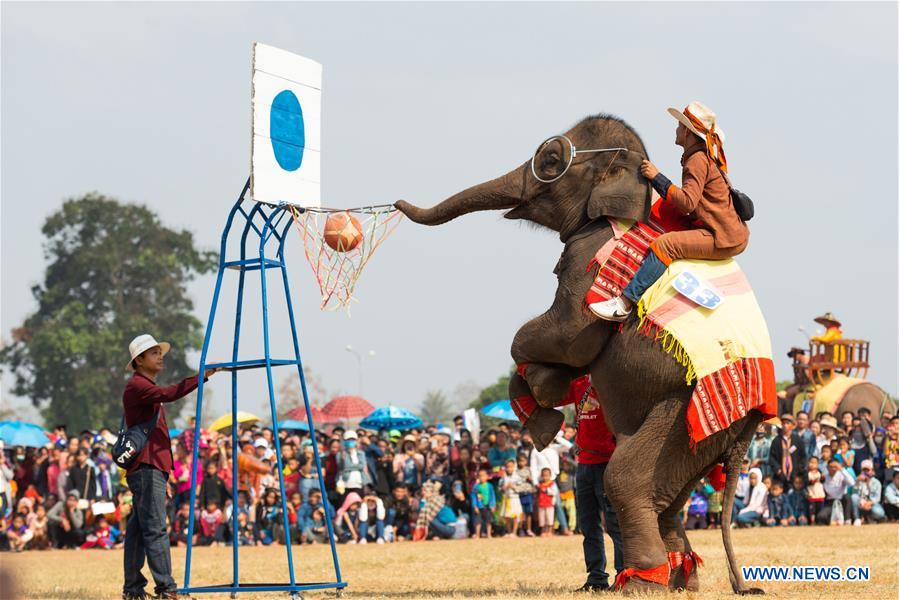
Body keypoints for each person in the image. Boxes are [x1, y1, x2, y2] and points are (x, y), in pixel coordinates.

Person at [591, 101, 748, 321]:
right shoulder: (700, 158)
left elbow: (687, 202)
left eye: (679, 125)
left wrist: (657, 177)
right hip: (727, 230)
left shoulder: (696, 160)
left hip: (722, 237)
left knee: (666, 244)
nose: (676, 129)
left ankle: (625, 303)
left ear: (687, 132)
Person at [121, 333, 220, 600]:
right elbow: (170, 393)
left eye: (159, 351)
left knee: (139, 530)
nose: (160, 355)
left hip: (150, 468)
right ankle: (167, 589)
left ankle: (133, 589)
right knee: (155, 529)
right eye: (153, 353)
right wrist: (203, 376)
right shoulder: (138, 387)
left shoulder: (144, 387)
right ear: (139, 360)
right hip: (147, 467)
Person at [768, 414, 806, 486]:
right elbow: (772, 458)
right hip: (780, 476)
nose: (785, 425)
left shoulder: (798, 440)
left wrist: (798, 469)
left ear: (793, 426)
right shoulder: (776, 441)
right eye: (783, 423)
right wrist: (778, 470)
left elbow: (803, 457)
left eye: (788, 423)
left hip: (795, 475)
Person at [818, 458, 855, 525]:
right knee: (821, 516)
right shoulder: (824, 477)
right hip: (831, 502)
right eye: (831, 467)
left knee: (847, 497)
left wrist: (841, 469)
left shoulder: (841, 475)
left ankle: (847, 520)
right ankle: (834, 522)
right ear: (827, 467)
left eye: (835, 467)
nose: (833, 469)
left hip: (842, 500)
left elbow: (852, 483)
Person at [470, 467, 496, 539]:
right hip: (479, 506)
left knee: (488, 521)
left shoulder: (490, 486)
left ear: (487, 476)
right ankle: (477, 535)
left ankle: (489, 534)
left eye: (483, 475)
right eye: (480, 476)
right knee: (478, 521)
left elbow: (492, 496)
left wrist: (493, 505)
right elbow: (474, 497)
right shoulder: (476, 487)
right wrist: (475, 506)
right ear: (478, 477)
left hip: (488, 506)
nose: (482, 477)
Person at [535, 468, 558, 536]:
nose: (545, 477)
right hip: (541, 504)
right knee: (542, 519)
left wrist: (546, 490)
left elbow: (554, 492)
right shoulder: (540, 484)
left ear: (550, 475)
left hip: (549, 504)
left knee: (549, 518)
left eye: (547, 475)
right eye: (544, 475)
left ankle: (550, 531)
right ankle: (543, 531)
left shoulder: (552, 484)